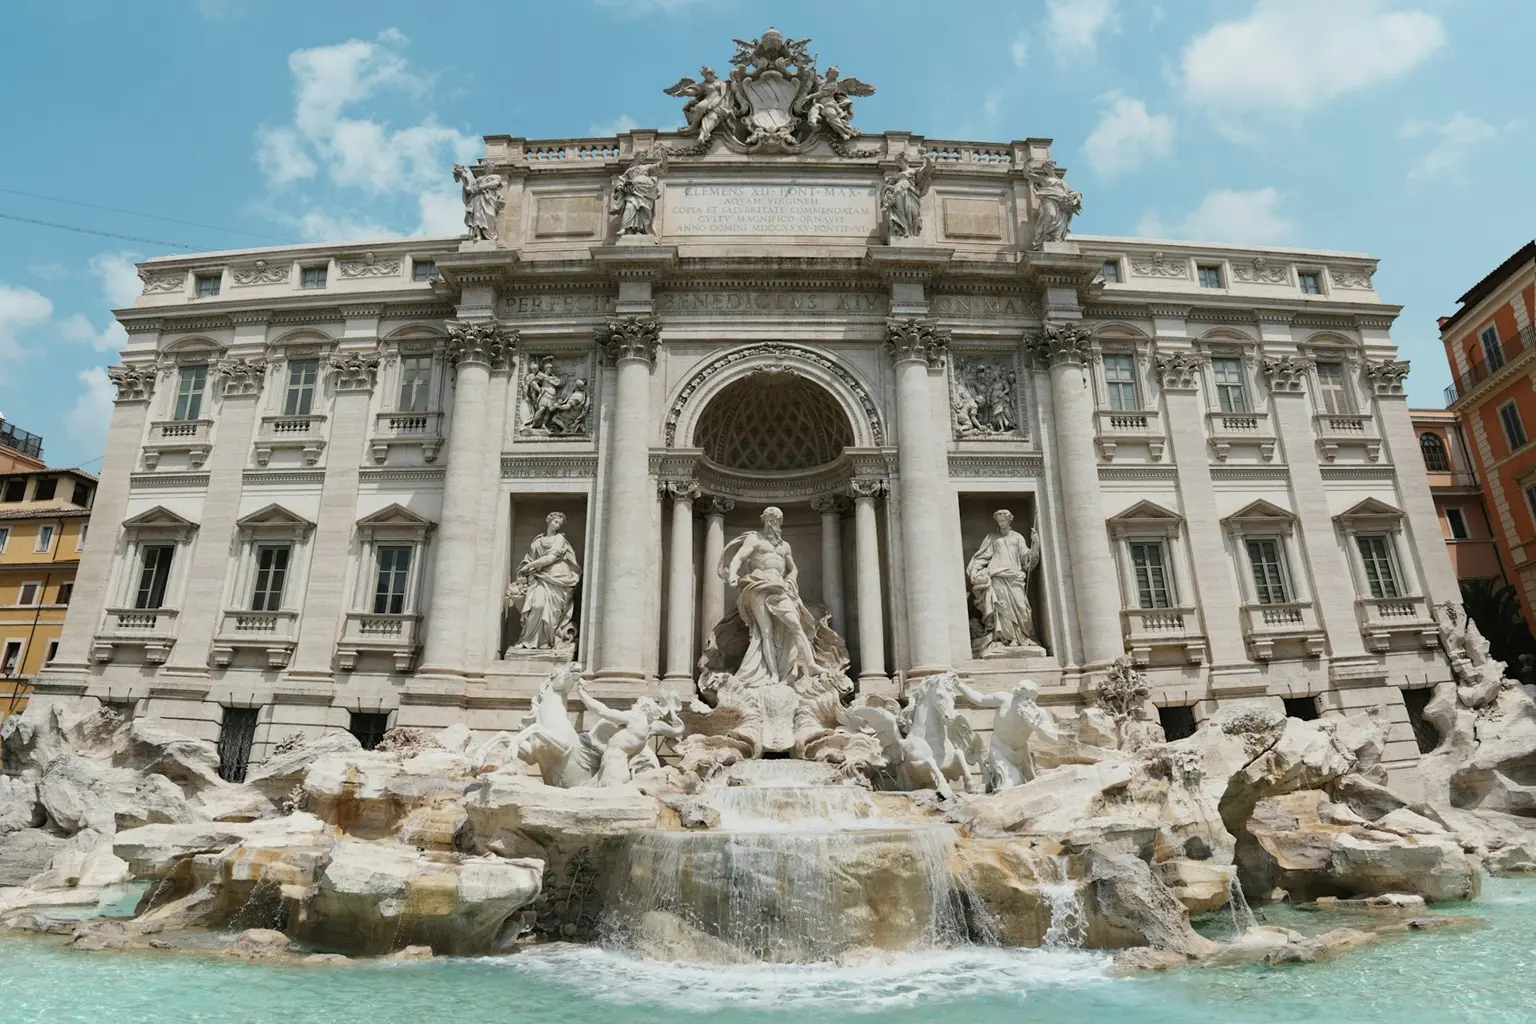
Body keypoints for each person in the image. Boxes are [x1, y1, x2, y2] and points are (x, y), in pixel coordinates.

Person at [721, 507, 821, 686]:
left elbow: (793, 568)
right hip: (758, 584)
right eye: (769, 520)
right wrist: (733, 574)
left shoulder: (784, 546)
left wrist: (790, 579)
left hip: (780, 588)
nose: (772, 524)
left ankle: (811, 664)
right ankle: (773, 674)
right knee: (765, 631)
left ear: (780, 523)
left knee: (795, 624)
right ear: (764, 521)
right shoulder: (755, 539)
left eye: (775, 521)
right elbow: (739, 557)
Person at [967, 509, 1041, 651]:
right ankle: (1008, 638)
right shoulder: (992, 537)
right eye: (999, 521)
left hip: (1014, 575)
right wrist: (975, 570)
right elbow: (983, 556)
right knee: (1002, 608)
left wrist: (1035, 543)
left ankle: (1024, 636)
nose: (1001, 523)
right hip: (997, 575)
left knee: (1022, 608)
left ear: (1009, 520)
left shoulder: (1018, 537)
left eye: (1003, 520)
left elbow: (1027, 559)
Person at [508, 512, 581, 650]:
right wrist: (526, 568)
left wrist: (530, 566)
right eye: (555, 522)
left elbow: (550, 558)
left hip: (558, 578)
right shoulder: (538, 541)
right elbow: (529, 558)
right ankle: (527, 640)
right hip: (540, 577)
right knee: (537, 605)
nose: (557, 525)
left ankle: (545, 642)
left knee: (552, 611)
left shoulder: (560, 538)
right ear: (548, 521)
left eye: (559, 524)